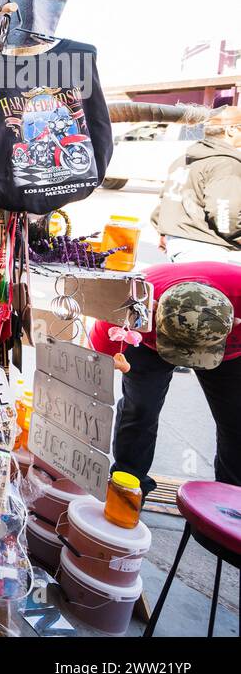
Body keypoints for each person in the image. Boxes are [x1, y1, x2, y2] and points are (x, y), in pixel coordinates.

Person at [93, 261, 241, 495]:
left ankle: (231, 499)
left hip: (231, 351)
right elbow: (91, 370)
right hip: (146, 339)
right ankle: (128, 485)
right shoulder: (133, 299)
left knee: (236, 419)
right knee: (140, 408)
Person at [153, 107, 241, 262]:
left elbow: (163, 205)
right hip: (205, 250)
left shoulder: (183, 159)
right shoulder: (226, 163)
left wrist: (165, 232)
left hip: (176, 244)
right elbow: (224, 214)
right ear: (231, 130)